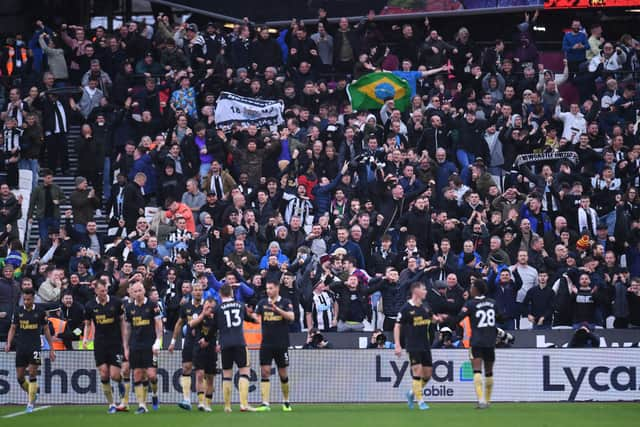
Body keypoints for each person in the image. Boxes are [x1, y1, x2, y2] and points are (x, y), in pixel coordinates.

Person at [394, 281, 444, 411]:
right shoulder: (406, 308)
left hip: (425, 344)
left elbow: (433, 318)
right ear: (416, 291)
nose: (426, 292)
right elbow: (397, 326)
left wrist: (438, 319)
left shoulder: (426, 306)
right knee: (417, 371)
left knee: (427, 374)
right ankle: (420, 401)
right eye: (424, 289)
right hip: (412, 345)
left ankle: (411, 393)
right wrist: (397, 345)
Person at [5, 288, 56, 413]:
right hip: (21, 347)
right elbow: (12, 328)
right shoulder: (18, 311)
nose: (26, 302)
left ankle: (30, 403)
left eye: (28, 299)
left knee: (32, 373)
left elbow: (46, 330)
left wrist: (51, 348)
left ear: (33, 299)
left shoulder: (40, 312)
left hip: (35, 347)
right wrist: (8, 343)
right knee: (20, 377)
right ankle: (32, 393)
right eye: (24, 299)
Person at [83, 279, 126, 413]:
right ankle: (111, 404)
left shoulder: (116, 303)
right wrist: (85, 338)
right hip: (100, 343)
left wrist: (124, 340)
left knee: (114, 375)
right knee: (103, 374)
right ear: (95, 291)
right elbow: (88, 324)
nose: (104, 293)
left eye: (106, 290)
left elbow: (122, 322)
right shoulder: (90, 306)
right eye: (101, 291)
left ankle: (120, 383)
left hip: (115, 343)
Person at [216, 283, 259, 412]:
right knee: (244, 372)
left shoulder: (218, 308)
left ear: (220, 294)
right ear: (232, 293)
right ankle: (243, 404)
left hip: (225, 344)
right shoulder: (240, 305)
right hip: (240, 342)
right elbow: (248, 318)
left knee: (227, 374)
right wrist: (255, 320)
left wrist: (209, 340)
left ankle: (227, 406)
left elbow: (214, 326)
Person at [122, 281, 163, 414]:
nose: (138, 293)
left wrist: (158, 341)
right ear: (131, 293)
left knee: (151, 376)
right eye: (135, 291)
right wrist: (126, 347)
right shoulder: (128, 308)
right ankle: (142, 404)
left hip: (149, 345)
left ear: (144, 291)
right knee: (138, 374)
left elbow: (158, 324)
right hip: (135, 345)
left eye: (140, 290)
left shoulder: (152, 305)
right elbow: (127, 328)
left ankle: (155, 394)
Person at [255, 280, 294, 412]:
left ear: (277, 288)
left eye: (271, 288)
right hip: (266, 343)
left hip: (281, 343)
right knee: (265, 372)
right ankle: (265, 403)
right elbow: (255, 317)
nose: (268, 291)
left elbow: (291, 317)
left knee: (283, 373)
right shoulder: (262, 303)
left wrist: (278, 310)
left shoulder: (285, 302)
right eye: (267, 288)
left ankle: (286, 401)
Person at [457, 280, 497, 409]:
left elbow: (459, 317)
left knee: (477, 370)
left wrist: (447, 318)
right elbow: (501, 317)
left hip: (477, 341)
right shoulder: (492, 303)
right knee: (489, 372)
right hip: (490, 341)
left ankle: (481, 400)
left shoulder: (471, 304)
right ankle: (488, 400)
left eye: (472, 287)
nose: (470, 289)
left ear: (476, 290)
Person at [168, 281, 204, 411]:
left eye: (200, 289)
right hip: (188, 341)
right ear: (192, 292)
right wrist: (173, 342)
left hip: (202, 342)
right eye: (196, 290)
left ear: (202, 291)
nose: (198, 292)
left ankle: (201, 402)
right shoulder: (186, 307)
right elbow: (178, 323)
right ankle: (187, 400)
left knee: (200, 373)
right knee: (186, 368)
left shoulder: (206, 306)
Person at [188, 297, 218, 412]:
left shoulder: (217, 318)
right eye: (207, 306)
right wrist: (202, 314)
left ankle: (208, 403)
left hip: (211, 349)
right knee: (199, 374)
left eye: (211, 307)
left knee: (210, 378)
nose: (209, 309)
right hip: (199, 349)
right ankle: (200, 402)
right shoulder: (199, 315)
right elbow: (191, 324)